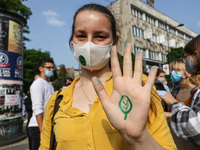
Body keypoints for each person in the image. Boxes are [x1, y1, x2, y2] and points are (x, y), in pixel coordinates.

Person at [39, 4, 177, 150]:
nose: (89, 44)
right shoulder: (56, 102)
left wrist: (139, 138)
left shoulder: (138, 87)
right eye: (81, 36)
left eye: (100, 36)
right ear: (72, 42)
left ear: (114, 42)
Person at [161, 35, 200, 146]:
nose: (174, 73)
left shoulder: (196, 93)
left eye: (178, 70)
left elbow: (196, 126)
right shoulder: (172, 92)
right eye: (173, 70)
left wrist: (172, 107)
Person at [28, 58, 55, 150]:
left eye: (52, 68)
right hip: (37, 127)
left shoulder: (49, 85)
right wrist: (42, 130)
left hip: (47, 126)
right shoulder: (38, 84)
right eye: (48, 67)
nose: (51, 70)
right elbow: (37, 107)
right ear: (41, 69)